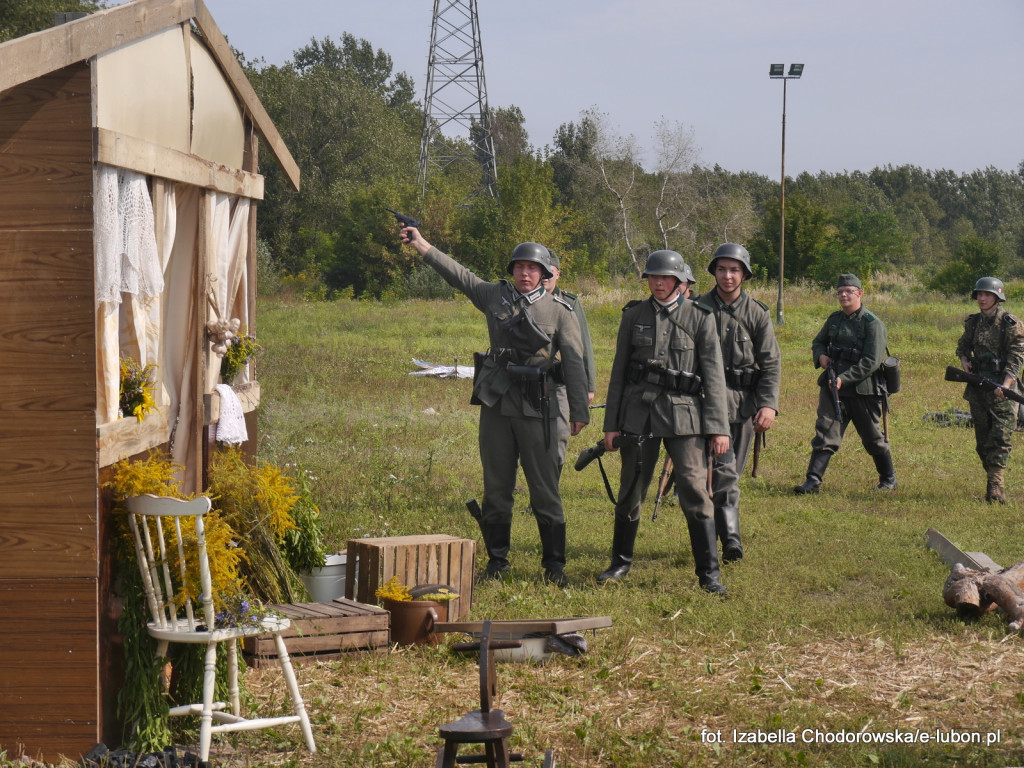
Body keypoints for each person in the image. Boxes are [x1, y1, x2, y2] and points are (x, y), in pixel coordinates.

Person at [399, 226, 589, 587]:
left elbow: (576, 363)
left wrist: (578, 411)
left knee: (545, 489)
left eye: (533, 268)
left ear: (546, 274)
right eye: (519, 266)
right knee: (496, 486)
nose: (524, 273)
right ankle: (497, 562)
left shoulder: (561, 310)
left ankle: (554, 567)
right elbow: (458, 275)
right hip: (499, 406)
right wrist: (422, 244)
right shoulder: (494, 296)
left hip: (540, 409)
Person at [598, 250, 731, 594]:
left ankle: (709, 574)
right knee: (631, 489)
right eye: (653, 277)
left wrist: (718, 428)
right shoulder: (634, 315)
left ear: (679, 281)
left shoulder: (700, 317)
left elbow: (714, 377)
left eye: (665, 278)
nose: (658, 283)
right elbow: (618, 374)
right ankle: (620, 563)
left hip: (685, 417)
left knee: (693, 487)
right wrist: (612, 424)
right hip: (638, 415)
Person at [694, 243, 780, 562]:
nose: (727, 276)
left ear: (744, 274)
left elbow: (770, 363)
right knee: (716, 475)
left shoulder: (756, 313)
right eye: (722, 269)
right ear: (714, 272)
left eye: (734, 270)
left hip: (742, 407)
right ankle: (730, 539)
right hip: (701, 405)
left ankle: (724, 536)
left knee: (729, 474)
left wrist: (768, 405)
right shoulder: (697, 308)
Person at [794, 274, 895, 494]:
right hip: (832, 386)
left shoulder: (873, 324)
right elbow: (818, 342)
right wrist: (821, 357)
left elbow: (871, 361)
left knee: (872, 438)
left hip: (863, 390)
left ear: (860, 293)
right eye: (840, 292)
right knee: (825, 432)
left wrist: (844, 379)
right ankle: (812, 482)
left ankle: (888, 479)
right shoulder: (834, 319)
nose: (843, 295)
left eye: (848, 291)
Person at [955, 276, 1024, 503]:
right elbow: (963, 346)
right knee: (983, 445)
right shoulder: (973, 322)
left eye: (986, 295)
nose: (982, 299)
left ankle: (995, 490)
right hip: (979, 390)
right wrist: (965, 361)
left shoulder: (1009, 323)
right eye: (979, 295)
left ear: (997, 297)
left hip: (1003, 391)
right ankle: (995, 484)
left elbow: (1017, 357)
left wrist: (1006, 385)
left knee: (1000, 441)